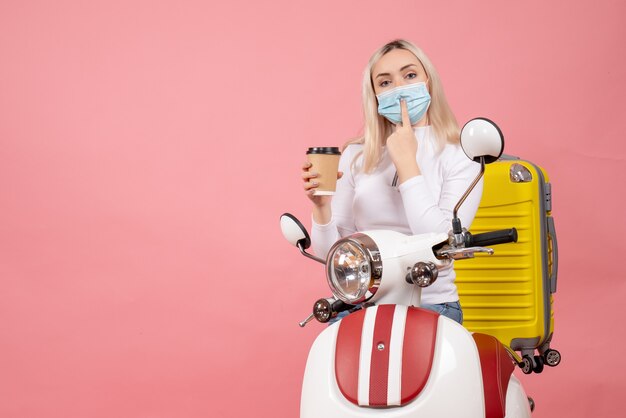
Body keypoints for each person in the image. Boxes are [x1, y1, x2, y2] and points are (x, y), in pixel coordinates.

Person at [301, 39, 483, 324]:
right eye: (385, 82)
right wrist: (321, 207)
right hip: (362, 306)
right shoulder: (356, 155)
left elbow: (441, 245)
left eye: (409, 75)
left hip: (431, 305)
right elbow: (335, 257)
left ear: (428, 82)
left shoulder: (461, 153)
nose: (398, 88)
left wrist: (408, 165)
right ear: (374, 95)